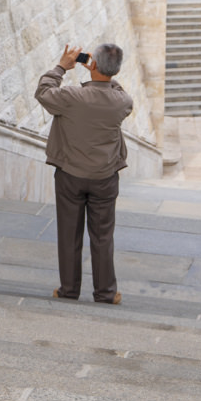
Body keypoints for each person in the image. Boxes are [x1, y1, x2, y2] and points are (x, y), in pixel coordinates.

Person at [35, 43, 133, 304]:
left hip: (70, 174)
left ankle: (69, 290)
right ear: (117, 70)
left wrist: (61, 68)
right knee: (103, 237)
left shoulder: (71, 97)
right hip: (105, 177)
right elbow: (117, 89)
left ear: (93, 65)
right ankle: (106, 293)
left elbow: (44, 92)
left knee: (69, 234)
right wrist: (104, 73)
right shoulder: (122, 101)